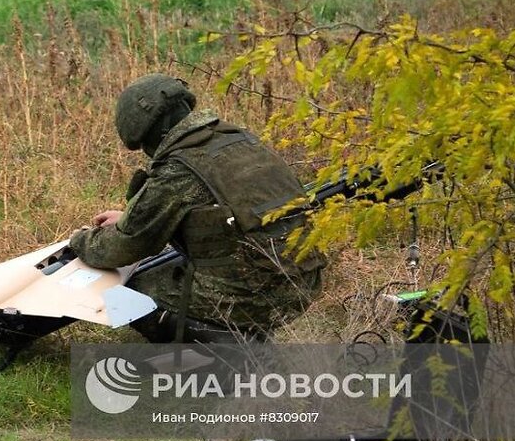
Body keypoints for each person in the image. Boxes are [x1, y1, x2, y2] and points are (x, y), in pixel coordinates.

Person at [68, 74, 327, 344]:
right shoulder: (238, 139)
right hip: (305, 281)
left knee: (128, 293)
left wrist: (80, 241)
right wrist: (127, 219)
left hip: (261, 294)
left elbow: (124, 247)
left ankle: (235, 351)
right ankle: (244, 332)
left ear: (153, 132)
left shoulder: (179, 167)